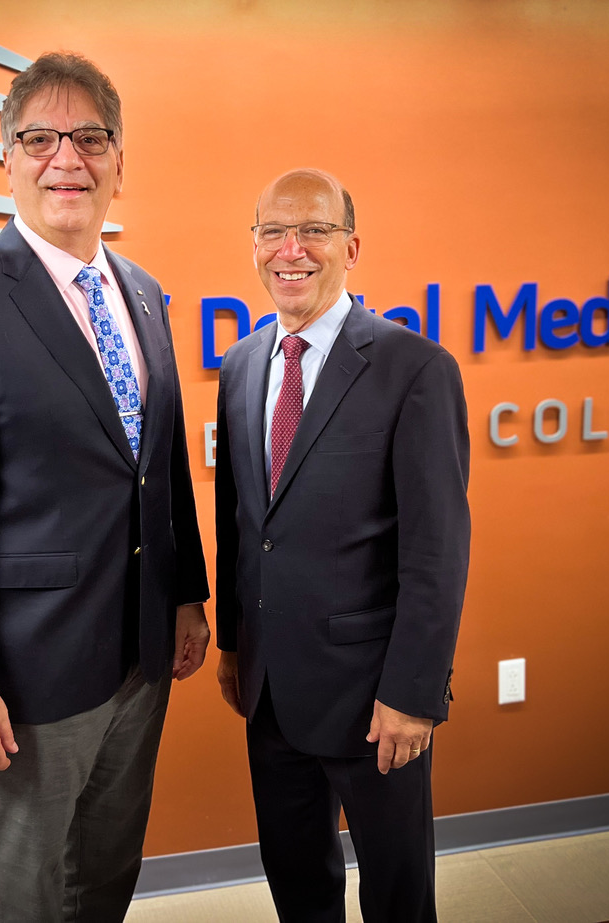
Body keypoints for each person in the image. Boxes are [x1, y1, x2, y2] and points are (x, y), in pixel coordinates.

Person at [0, 52, 210, 923]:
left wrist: (185, 597)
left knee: (107, 872)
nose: (67, 158)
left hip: (139, 657)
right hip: (29, 671)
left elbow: (161, 463)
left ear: (118, 159)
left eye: (91, 138)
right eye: (41, 138)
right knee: (28, 894)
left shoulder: (142, 294)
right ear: (7, 158)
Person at [213, 169, 470, 923]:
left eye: (314, 230)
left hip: (375, 701)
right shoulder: (240, 366)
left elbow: (437, 552)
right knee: (298, 885)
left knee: (396, 896)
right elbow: (244, 526)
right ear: (253, 245)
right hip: (269, 693)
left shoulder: (414, 369)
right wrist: (233, 646)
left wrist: (413, 694)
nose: (291, 250)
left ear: (351, 246)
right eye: (272, 231)